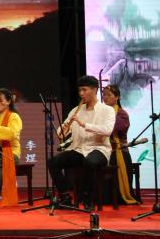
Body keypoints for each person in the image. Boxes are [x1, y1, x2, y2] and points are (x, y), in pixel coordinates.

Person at [47, 75, 114, 209]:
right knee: (53, 162)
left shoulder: (107, 110)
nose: (81, 94)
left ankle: (88, 199)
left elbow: (107, 130)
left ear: (94, 90)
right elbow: (61, 132)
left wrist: (84, 124)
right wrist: (63, 129)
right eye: (79, 90)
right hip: (79, 148)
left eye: (84, 90)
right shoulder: (76, 110)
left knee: (89, 162)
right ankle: (65, 197)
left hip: (99, 149)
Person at [102, 84, 137, 205]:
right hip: (104, 150)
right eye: (104, 95)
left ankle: (120, 196)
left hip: (119, 151)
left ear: (117, 97)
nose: (105, 97)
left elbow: (114, 129)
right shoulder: (100, 113)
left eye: (109, 95)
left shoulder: (122, 113)